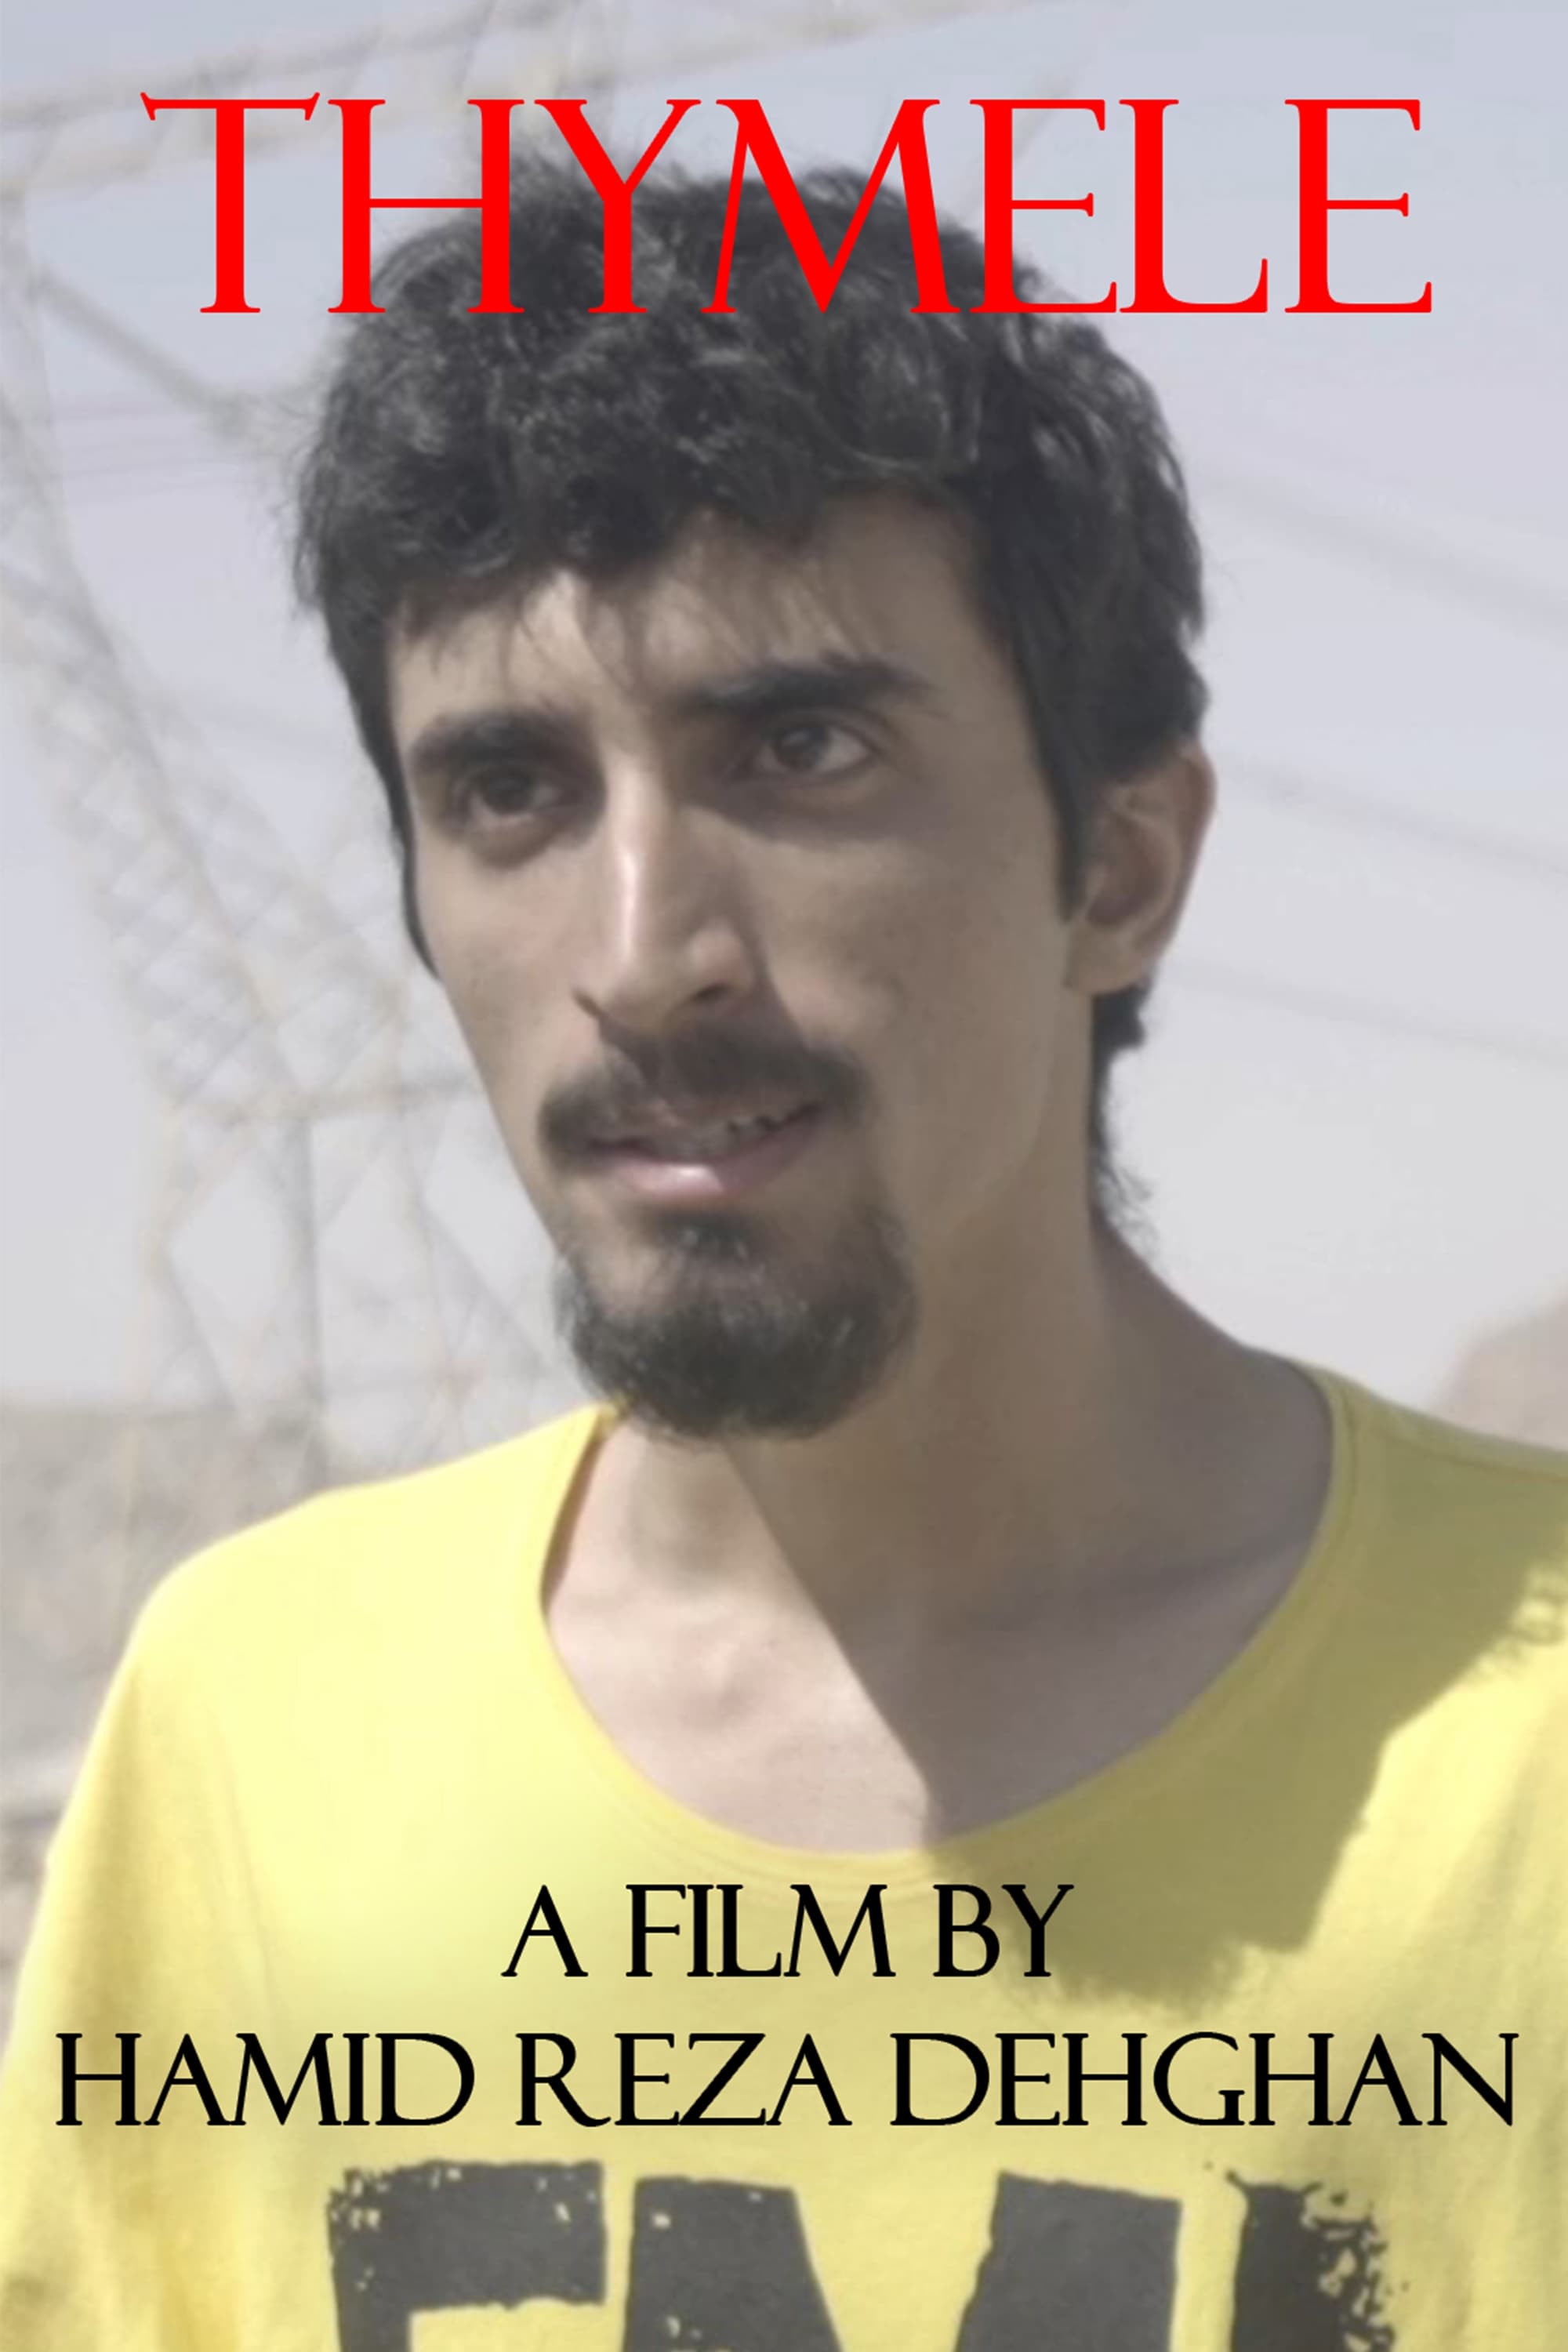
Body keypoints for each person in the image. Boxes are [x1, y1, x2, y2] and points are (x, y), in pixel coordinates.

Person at [2, 153, 1563, 2352]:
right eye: (510, 790)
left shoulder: (1527, 1753)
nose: (643, 955)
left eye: (801, 749)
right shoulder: (248, 1733)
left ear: (1120, 867)